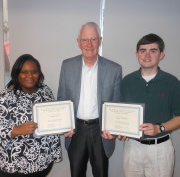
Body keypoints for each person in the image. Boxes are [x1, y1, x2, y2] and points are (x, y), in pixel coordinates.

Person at [57, 22, 122, 177]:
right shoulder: (67, 65)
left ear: (100, 40)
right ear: (78, 42)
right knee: (76, 173)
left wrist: (114, 129)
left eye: (93, 39)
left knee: (101, 173)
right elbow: (62, 98)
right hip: (76, 130)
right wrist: (64, 125)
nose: (89, 44)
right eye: (85, 40)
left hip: (100, 131)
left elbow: (116, 104)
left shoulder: (114, 69)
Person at [119, 33, 180, 177]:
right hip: (132, 147)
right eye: (142, 50)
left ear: (161, 55)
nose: (147, 55)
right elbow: (120, 112)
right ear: (136, 54)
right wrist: (120, 130)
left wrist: (160, 128)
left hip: (160, 149)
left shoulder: (172, 83)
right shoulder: (127, 81)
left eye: (153, 51)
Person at [0, 54, 62, 177]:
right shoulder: (5, 97)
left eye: (34, 72)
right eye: (25, 72)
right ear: (17, 74)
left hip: (43, 161)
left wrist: (64, 126)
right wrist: (16, 130)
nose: (30, 76)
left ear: (39, 74)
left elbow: (55, 116)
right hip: (16, 165)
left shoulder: (45, 90)